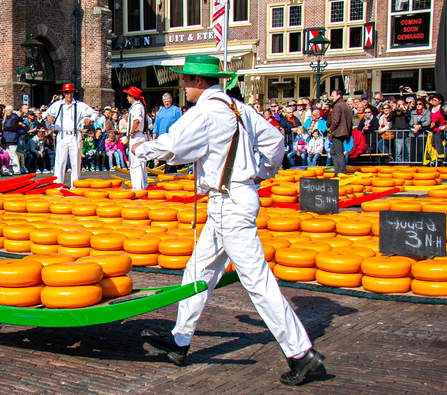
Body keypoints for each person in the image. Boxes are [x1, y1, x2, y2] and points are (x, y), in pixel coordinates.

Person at [131, 55, 322, 386]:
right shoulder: (238, 108)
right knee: (198, 271)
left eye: (187, 80)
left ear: (200, 82)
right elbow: (276, 142)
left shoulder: (206, 111)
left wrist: (139, 147)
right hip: (231, 201)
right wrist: (260, 173)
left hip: (230, 204)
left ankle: (301, 353)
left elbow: (174, 146)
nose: (183, 86)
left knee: (257, 282)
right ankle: (180, 340)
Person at [42, 84, 98, 187]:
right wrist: (48, 116)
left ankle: (75, 185)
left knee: (75, 162)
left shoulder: (80, 105)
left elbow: (94, 113)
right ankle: (58, 185)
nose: (69, 95)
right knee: (60, 161)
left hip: (75, 135)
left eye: (71, 92)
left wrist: (90, 120)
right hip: (62, 134)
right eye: (67, 93)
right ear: (63, 93)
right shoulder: (58, 105)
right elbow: (44, 114)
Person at [125, 86, 150, 189]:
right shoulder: (142, 107)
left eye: (128, 96)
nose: (127, 98)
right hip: (142, 135)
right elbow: (149, 121)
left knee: (136, 163)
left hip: (136, 136)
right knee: (142, 163)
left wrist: (132, 131)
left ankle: (137, 187)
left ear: (132, 97)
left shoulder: (136, 107)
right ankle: (143, 185)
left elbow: (137, 119)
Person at [326, 90, 353, 175]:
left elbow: (335, 121)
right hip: (344, 132)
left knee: (338, 153)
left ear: (339, 95)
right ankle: (337, 171)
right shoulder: (346, 105)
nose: (332, 97)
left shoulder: (338, 106)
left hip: (338, 132)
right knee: (333, 152)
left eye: (333, 95)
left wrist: (330, 130)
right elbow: (350, 122)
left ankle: (341, 173)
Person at [1, 106, 22, 174]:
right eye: (6, 111)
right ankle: (11, 169)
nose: (7, 112)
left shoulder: (14, 118)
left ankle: (17, 169)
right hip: (7, 138)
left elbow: (14, 128)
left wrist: (5, 128)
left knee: (13, 154)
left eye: (9, 110)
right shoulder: (6, 118)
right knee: (8, 154)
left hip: (12, 138)